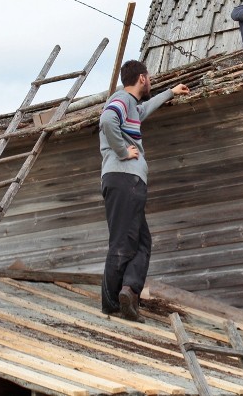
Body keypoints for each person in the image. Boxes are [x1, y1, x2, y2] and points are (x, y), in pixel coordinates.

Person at [99, 60, 189, 321]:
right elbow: (107, 120)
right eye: (148, 78)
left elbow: (144, 109)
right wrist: (122, 150)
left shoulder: (132, 107)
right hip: (123, 178)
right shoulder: (121, 99)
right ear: (141, 78)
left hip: (130, 181)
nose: (150, 82)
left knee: (141, 242)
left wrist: (170, 92)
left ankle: (128, 291)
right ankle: (111, 303)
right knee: (123, 242)